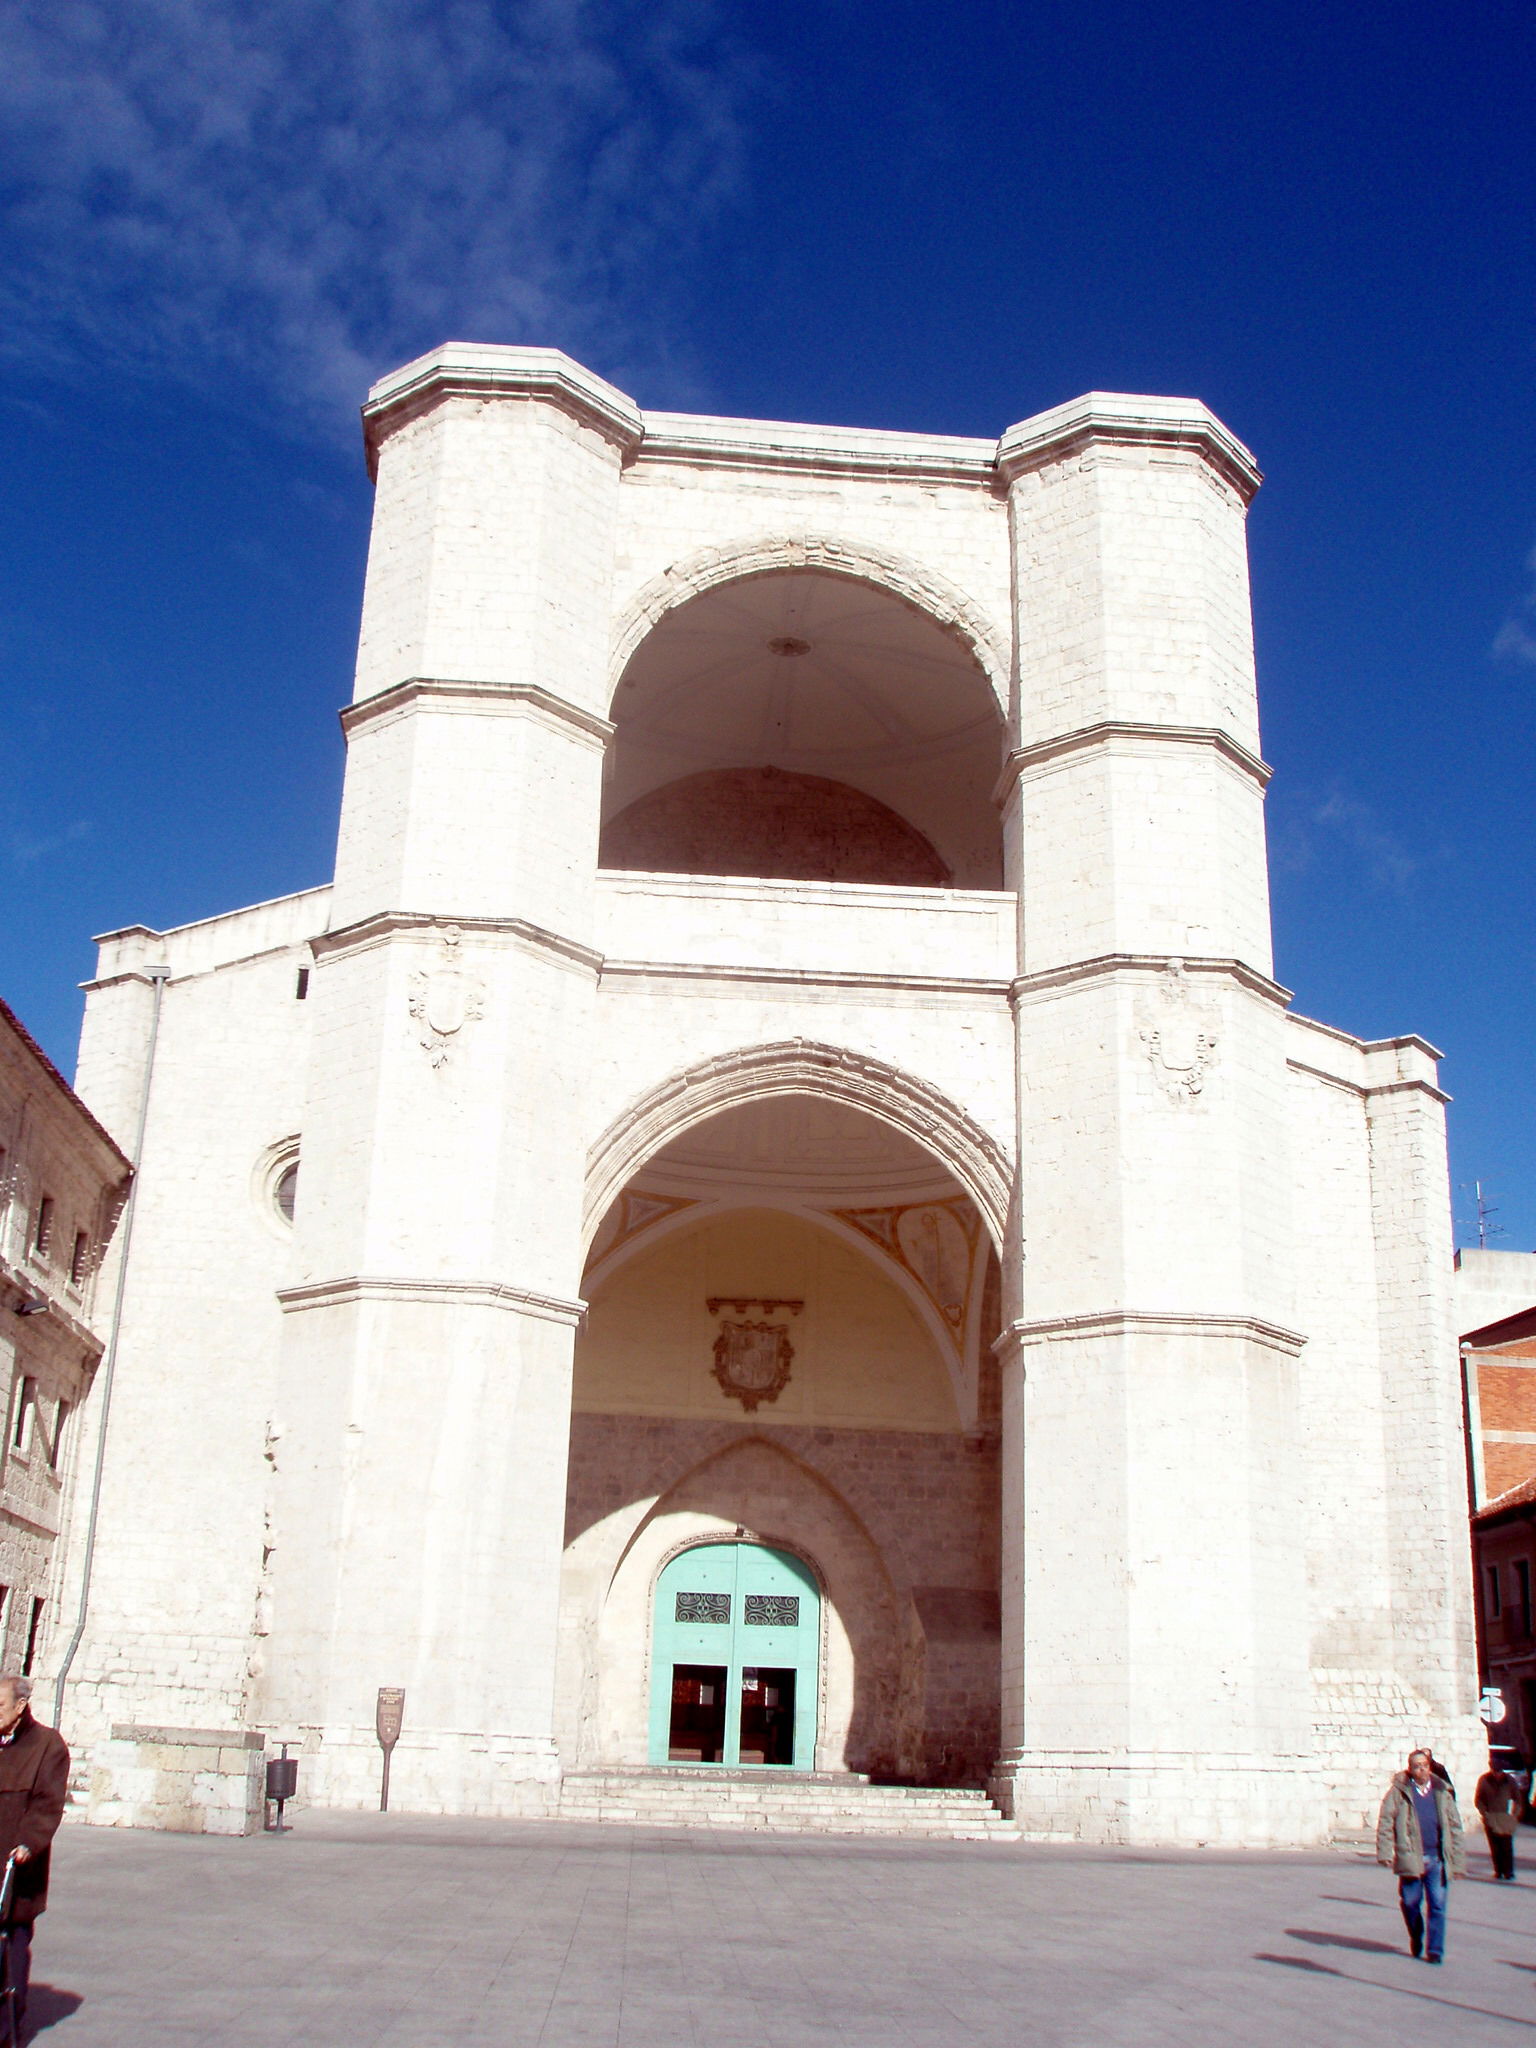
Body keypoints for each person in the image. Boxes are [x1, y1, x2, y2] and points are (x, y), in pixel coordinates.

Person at [0, 1676, 69, 2035]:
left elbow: (48, 1805)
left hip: (15, 1866)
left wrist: (28, 1843)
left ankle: (8, 2026)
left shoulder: (47, 1745)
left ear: (20, 1706)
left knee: (10, 1949)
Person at [1377, 1747, 1466, 1964]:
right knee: (1410, 1902)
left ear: (1429, 1767)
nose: (1421, 1770)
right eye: (1417, 1766)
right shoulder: (1399, 1792)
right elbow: (1386, 1820)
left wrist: (1458, 1862)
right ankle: (1416, 1936)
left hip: (1437, 1859)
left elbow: (1455, 1826)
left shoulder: (1441, 1792)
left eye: (1424, 1766)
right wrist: (1385, 1851)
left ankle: (1435, 1950)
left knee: (1437, 1904)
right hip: (1411, 1856)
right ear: (1410, 1769)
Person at [1475, 1758, 1522, 1881]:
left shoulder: (1509, 1781)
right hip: (1491, 1816)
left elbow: (1518, 1799)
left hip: (1504, 1817)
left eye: (1499, 1771)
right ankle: (1498, 1870)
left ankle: (1508, 1871)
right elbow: (1479, 1799)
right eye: (1495, 1770)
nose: (1497, 1773)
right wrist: (1485, 1814)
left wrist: (1514, 1816)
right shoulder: (1484, 1780)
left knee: (1506, 1845)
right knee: (1494, 1846)